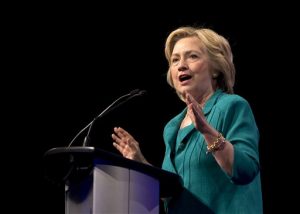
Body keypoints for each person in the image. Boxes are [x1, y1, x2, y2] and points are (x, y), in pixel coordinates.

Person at [111, 26, 263, 214]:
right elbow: (172, 192)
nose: (181, 65)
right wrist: (141, 162)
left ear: (216, 69)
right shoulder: (172, 128)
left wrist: (208, 132)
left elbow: (245, 170)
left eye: (192, 56)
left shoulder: (232, 106)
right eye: (175, 60)